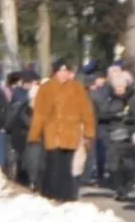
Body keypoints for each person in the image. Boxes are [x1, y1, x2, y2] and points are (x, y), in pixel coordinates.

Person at [27, 59, 96, 202]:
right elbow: (40, 113)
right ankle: (51, 193)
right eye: (61, 71)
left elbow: (86, 112)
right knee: (52, 164)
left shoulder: (77, 88)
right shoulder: (46, 88)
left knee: (66, 166)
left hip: (70, 132)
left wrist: (89, 132)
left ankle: (66, 195)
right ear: (55, 72)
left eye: (67, 71)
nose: (64, 74)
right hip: (52, 132)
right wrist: (34, 134)